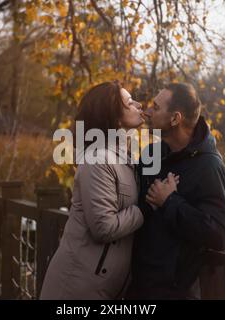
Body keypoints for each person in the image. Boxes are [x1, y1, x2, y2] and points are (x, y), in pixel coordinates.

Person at [127, 82, 225, 300]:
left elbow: (221, 235)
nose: (147, 111)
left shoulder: (210, 167)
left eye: (156, 108)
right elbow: (134, 204)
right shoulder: (151, 155)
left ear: (175, 119)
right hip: (137, 289)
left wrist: (170, 202)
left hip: (174, 294)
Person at [40, 81, 145, 299]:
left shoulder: (125, 158)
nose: (139, 104)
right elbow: (103, 227)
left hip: (101, 286)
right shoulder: (97, 159)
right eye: (129, 103)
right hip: (77, 287)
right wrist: (146, 208)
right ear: (115, 118)